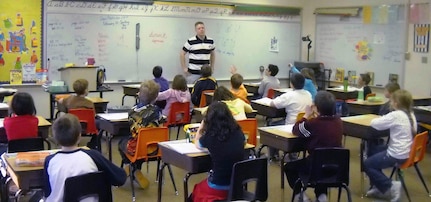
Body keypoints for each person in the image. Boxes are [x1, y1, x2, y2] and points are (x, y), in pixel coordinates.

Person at [43, 114, 126, 202]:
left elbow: (47, 192)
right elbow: (120, 178)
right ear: (79, 136)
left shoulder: (50, 161)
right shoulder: (93, 156)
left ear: (55, 138)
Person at [287, 91, 343, 202]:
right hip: (336, 168)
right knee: (322, 164)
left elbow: (296, 129)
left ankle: (302, 197)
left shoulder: (313, 124)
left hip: (316, 168)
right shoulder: (338, 121)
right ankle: (322, 196)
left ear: (316, 108)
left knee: (289, 168)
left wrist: (306, 115)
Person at [364, 89, 416, 202]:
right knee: (374, 150)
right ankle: (378, 186)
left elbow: (375, 124)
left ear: (396, 103)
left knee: (367, 164)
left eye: (392, 101)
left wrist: (382, 119)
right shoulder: (411, 115)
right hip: (406, 151)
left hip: (396, 154)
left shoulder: (396, 115)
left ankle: (390, 185)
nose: (390, 103)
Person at [190, 102, 245, 201]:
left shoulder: (210, 136)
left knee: (197, 189)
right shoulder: (238, 132)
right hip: (237, 186)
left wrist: (201, 127)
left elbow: (197, 143)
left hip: (218, 186)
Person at [118, 80, 165, 189]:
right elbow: (161, 122)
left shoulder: (132, 111)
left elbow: (130, 127)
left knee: (122, 143)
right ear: (155, 97)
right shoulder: (157, 112)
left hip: (137, 149)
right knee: (142, 144)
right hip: (155, 149)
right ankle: (135, 169)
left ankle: (130, 166)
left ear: (138, 94)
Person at [268, 73, 312, 160]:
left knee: (271, 126)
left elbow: (273, 104)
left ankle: (274, 155)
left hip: (291, 125)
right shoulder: (308, 94)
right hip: (305, 125)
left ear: (291, 84)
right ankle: (292, 153)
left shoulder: (289, 95)